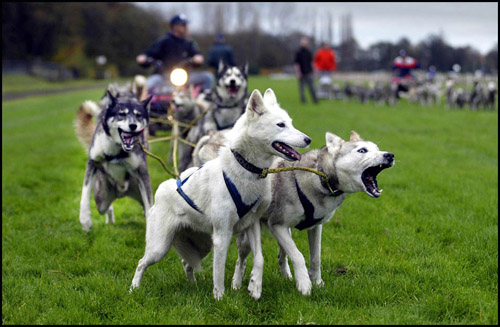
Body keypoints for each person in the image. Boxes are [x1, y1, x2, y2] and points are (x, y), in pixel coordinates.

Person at [136, 13, 214, 91]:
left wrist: (198, 58)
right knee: (146, 85)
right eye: (183, 25)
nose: (185, 27)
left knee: (208, 77)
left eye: (185, 25)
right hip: (163, 76)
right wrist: (143, 57)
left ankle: (205, 99)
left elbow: (197, 54)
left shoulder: (188, 43)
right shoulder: (164, 41)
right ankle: (138, 101)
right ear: (175, 26)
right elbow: (149, 53)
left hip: (184, 77)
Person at [294, 37, 318, 104]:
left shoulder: (309, 52)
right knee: (302, 88)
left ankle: (315, 100)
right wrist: (298, 72)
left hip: (309, 72)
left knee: (312, 87)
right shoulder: (298, 52)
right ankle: (303, 100)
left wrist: (315, 71)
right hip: (302, 72)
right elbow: (296, 63)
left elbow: (312, 62)